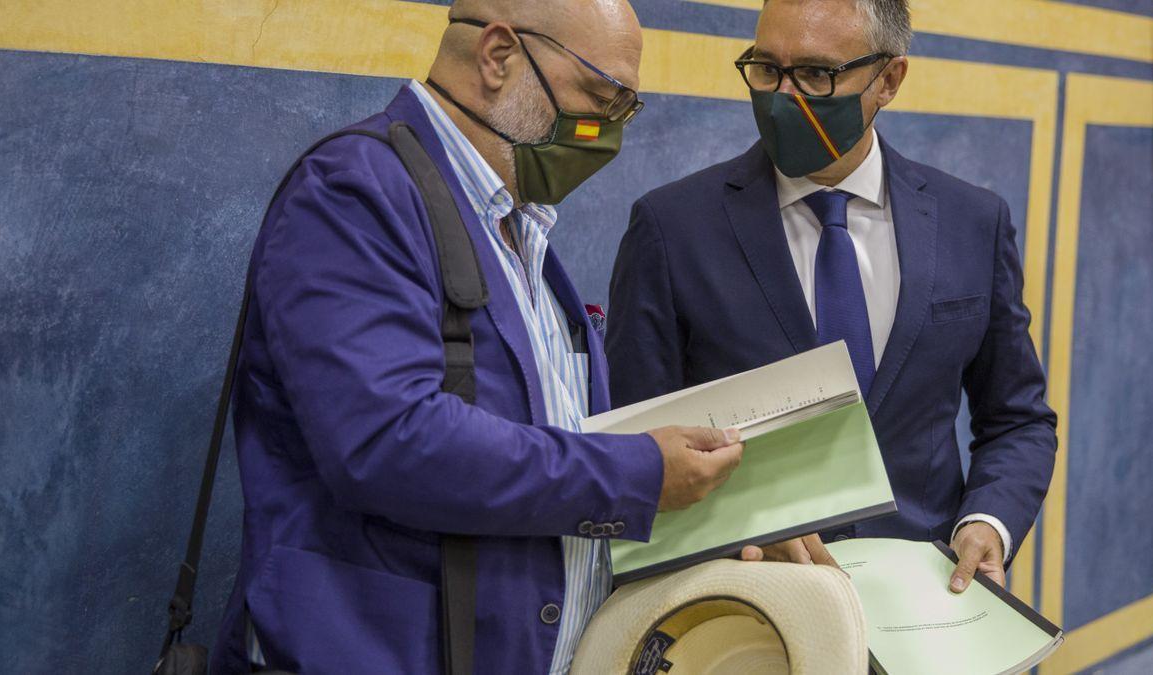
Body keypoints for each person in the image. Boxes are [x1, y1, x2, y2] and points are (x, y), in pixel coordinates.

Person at [208, 1, 752, 672]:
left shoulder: (519, 229)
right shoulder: (355, 192)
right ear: (498, 56)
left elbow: (548, 450)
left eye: (624, 113)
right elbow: (388, 440)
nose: (607, 133)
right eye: (601, 97)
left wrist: (731, 514)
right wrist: (638, 474)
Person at [606, 0, 1057, 594]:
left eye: (817, 74)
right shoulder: (671, 228)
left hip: (926, 606)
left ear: (888, 80)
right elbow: (630, 462)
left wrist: (989, 523)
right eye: (766, 69)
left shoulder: (974, 220)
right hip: (748, 609)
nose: (783, 97)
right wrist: (737, 530)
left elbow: (1017, 420)